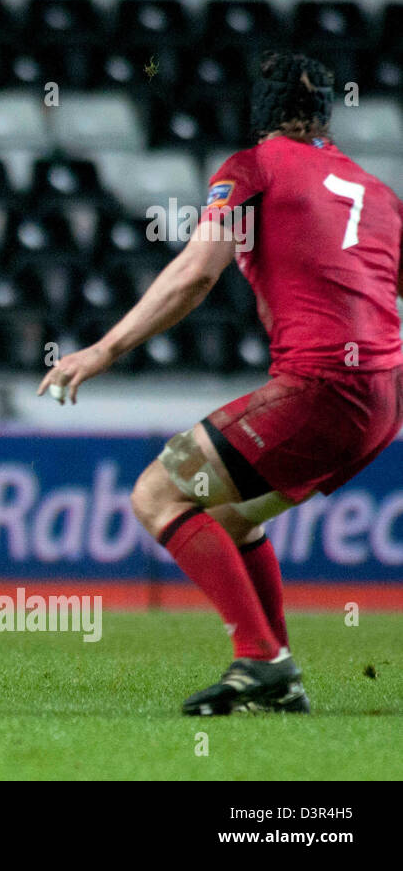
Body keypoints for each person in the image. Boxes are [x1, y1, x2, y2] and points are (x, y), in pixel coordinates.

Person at [38, 50, 403, 715]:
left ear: (258, 110)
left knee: (157, 492)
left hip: (321, 384)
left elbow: (196, 273)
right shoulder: (379, 195)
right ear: (325, 114)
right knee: (229, 519)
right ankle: (279, 675)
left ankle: (259, 658)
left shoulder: (252, 168)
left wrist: (102, 350)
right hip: (383, 401)